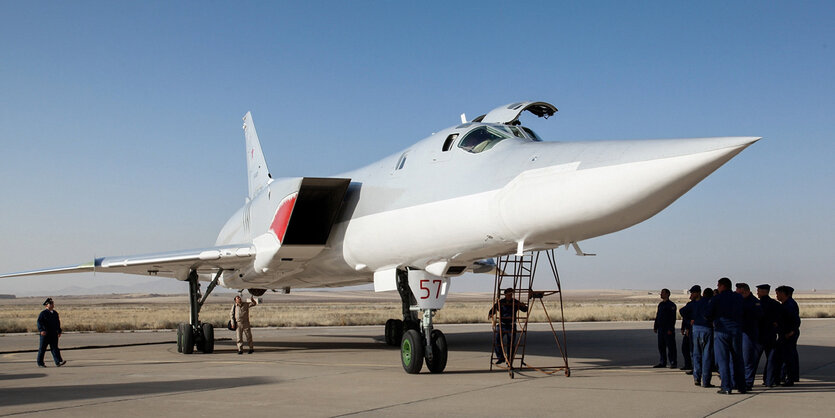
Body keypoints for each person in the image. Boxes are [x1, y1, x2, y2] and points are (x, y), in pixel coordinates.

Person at [707, 277, 746, 394]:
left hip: (721, 331)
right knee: (738, 359)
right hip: (736, 331)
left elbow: (708, 314)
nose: (718, 288)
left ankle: (726, 386)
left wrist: (714, 320)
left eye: (718, 286)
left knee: (723, 360)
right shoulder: (738, 297)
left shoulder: (716, 299)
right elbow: (744, 312)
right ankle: (741, 386)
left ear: (722, 286)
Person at [488, 288, 528, 365]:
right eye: (508, 294)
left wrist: (524, 306)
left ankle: (509, 360)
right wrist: (490, 314)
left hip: (511, 325)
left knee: (511, 344)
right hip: (502, 325)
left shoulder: (515, 302)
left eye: (511, 294)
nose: (510, 296)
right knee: (497, 342)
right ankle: (501, 358)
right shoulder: (501, 302)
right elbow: (494, 308)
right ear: (505, 294)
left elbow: (524, 310)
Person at [735, 283, 763, 391]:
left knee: (748, 359)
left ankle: (748, 382)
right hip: (740, 333)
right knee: (739, 359)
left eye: (739, 293)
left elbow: (758, 316)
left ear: (745, 291)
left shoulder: (754, 302)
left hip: (749, 334)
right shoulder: (740, 301)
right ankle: (740, 382)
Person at [755, 284, 781, 387]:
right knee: (771, 359)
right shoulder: (775, 304)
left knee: (753, 360)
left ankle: (748, 382)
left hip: (759, 336)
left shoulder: (758, 304)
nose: (757, 292)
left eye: (758, 291)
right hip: (771, 335)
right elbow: (779, 320)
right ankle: (769, 381)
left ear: (763, 291)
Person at [775, 285, 800, 386]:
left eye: (777, 294)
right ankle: (790, 376)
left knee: (788, 357)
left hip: (788, 334)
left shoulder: (789, 305)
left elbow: (796, 320)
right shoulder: (787, 303)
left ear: (783, 294)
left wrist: (791, 332)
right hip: (787, 333)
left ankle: (789, 379)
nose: (776, 296)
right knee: (790, 355)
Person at [692, 287, 715, 387]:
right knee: (707, 355)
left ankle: (697, 377)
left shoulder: (696, 303)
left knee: (696, 354)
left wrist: (692, 318)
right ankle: (706, 380)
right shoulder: (710, 303)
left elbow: (683, 311)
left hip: (696, 329)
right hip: (707, 328)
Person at [36, 298, 66, 367]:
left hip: (53, 334)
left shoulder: (55, 313)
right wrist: (41, 330)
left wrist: (59, 331)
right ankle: (40, 363)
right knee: (42, 349)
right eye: (51, 304)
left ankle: (58, 361)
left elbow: (57, 323)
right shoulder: (43, 313)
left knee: (55, 348)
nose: (52, 305)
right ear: (46, 305)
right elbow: (39, 322)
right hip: (45, 334)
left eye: (53, 304)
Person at [652, 288, 677, 368]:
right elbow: (658, 316)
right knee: (661, 346)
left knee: (670, 346)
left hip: (668, 329)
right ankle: (663, 362)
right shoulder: (661, 304)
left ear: (667, 294)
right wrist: (655, 326)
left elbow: (672, 318)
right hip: (661, 328)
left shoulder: (671, 305)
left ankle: (673, 362)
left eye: (663, 293)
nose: (661, 294)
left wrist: (670, 329)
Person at [678, 285, 700, 373]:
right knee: (688, 349)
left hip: (698, 329)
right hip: (690, 328)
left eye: (693, 293)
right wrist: (686, 325)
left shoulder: (702, 302)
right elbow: (683, 312)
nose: (691, 295)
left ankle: (696, 368)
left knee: (695, 350)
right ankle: (691, 365)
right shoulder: (691, 304)